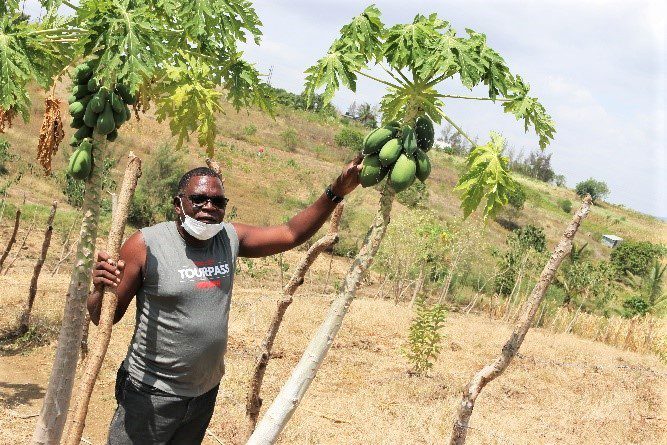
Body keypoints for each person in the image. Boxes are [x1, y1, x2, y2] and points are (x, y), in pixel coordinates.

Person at [89, 156, 362, 445]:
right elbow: (102, 315)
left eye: (218, 202)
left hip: (203, 393)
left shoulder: (229, 238)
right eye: (199, 199)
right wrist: (99, 288)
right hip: (151, 393)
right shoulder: (146, 245)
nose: (209, 207)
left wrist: (336, 192)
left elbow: (291, 233)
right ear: (177, 203)